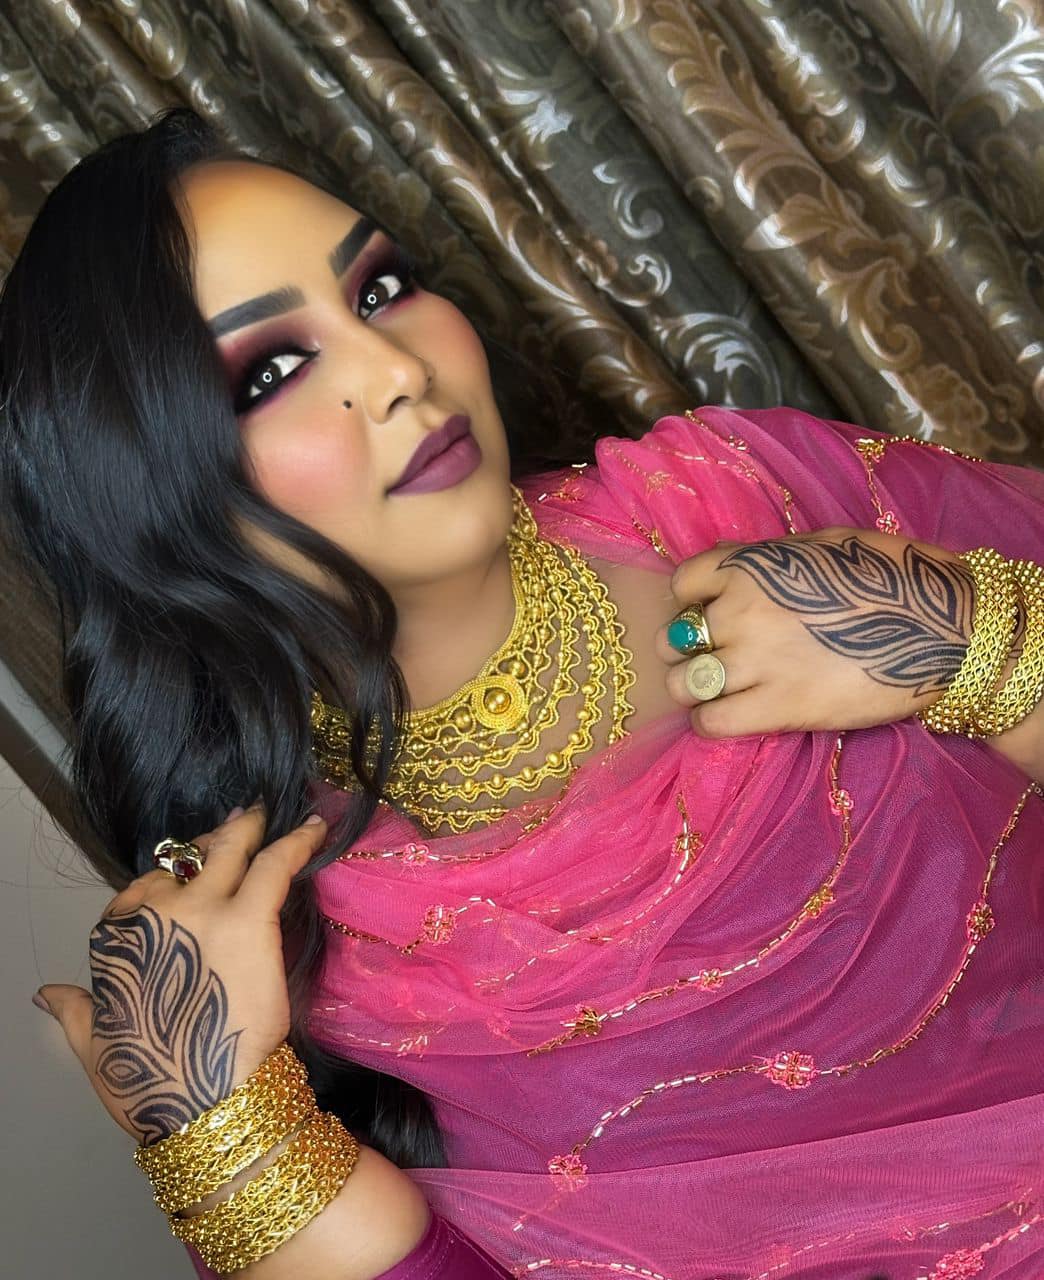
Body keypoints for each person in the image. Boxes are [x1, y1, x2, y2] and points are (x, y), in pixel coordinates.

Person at [1, 105, 1042, 1280]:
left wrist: (985, 644)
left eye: (380, 289)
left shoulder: (746, 494)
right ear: (148, 506)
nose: (398, 370)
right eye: (275, 371)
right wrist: (230, 1148)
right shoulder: (286, 942)